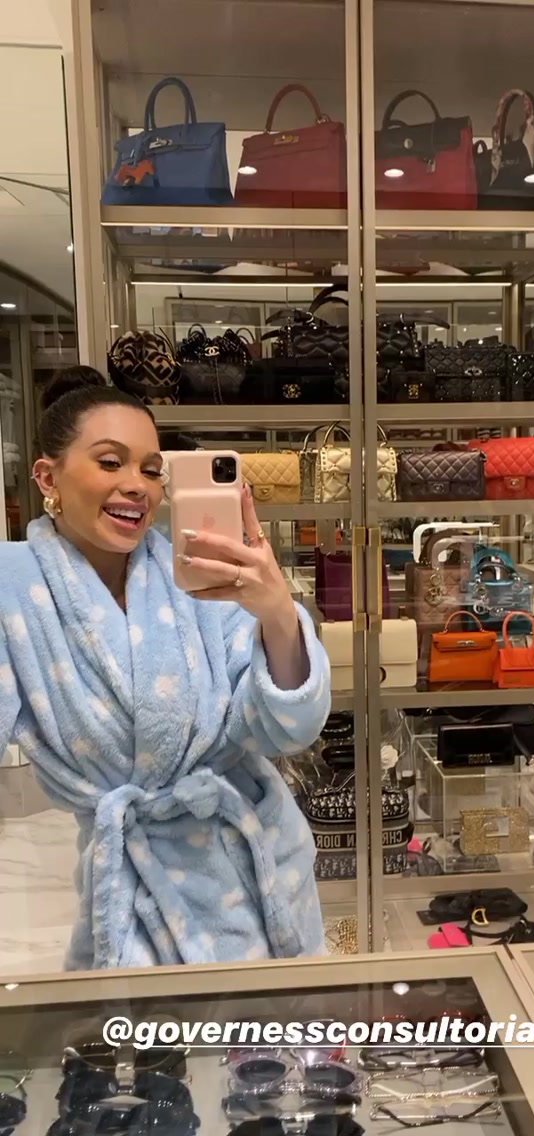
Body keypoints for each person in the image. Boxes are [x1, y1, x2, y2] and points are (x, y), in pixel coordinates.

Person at [0, 367, 331, 970]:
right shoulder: (13, 587)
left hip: (259, 871)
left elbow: (287, 728)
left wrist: (279, 615)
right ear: (48, 477)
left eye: (152, 470)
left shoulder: (195, 574)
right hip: (133, 885)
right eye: (110, 463)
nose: (137, 486)